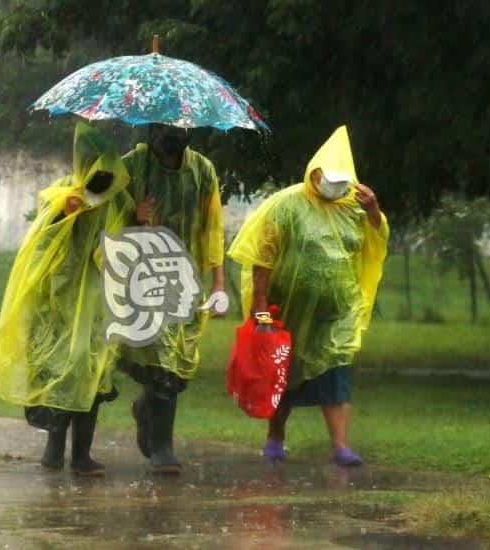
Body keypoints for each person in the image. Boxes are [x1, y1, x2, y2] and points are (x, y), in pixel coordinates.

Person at [227, 126, 389, 466]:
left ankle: (341, 446)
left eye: (341, 179)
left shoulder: (355, 208)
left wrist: (374, 210)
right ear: (313, 173)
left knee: (337, 368)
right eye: (328, 177)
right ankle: (275, 436)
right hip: (287, 310)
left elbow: (376, 241)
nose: (335, 184)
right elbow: (261, 259)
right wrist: (261, 315)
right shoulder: (286, 205)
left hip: (336, 311)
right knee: (282, 373)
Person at [0, 122, 134, 476]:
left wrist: (140, 220)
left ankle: (81, 455)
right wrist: (63, 214)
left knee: (92, 371)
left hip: (99, 302)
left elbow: (123, 245)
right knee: (60, 369)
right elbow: (43, 241)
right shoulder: (61, 194)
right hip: (60, 300)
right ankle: (53, 450)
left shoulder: (118, 201)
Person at [117, 123, 226, 474]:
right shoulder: (133, 166)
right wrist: (134, 214)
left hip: (188, 281)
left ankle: (145, 409)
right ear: (152, 129)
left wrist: (219, 285)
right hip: (143, 277)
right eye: (165, 127)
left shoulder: (203, 171)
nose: (173, 133)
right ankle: (163, 448)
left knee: (178, 366)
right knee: (162, 361)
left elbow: (213, 229)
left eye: (180, 127)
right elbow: (104, 210)